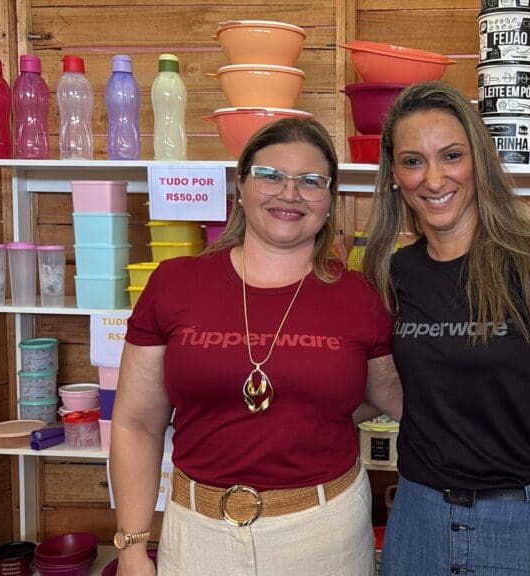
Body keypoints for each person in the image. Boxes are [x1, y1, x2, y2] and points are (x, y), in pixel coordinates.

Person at [111, 117, 402, 576]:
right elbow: (136, 425)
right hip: (197, 535)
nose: (289, 194)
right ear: (241, 187)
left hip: (324, 533)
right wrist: (131, 546)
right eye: (270, 176)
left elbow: (394, 397)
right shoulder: (175, 283)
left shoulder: (359, 296)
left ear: (330, 201)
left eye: (311, 181)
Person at [362, 81, 530, 576]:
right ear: (394, 176)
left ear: (479, 161)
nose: (433, 179)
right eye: (412, 161)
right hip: (417, 517)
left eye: (451, 155)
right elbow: (377, 384)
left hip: (521, 522)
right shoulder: (394, 273)